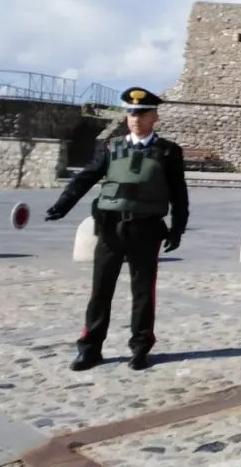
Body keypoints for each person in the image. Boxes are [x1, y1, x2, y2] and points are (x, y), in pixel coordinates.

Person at [44, 86, 189, 371]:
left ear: (154, 117)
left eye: (141, 114)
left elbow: (178, 193)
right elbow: (85, 178)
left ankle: (140, 347)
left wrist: (177, 229)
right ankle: (90, 348)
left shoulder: (169, 152)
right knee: (100, 290)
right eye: (131, 113)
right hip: (110, 228)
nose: (135, 118)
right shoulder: (111, 147)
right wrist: (62, 205)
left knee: (144, 292)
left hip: (146, 229)